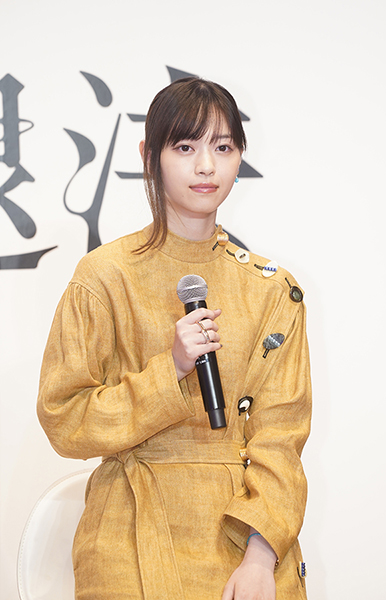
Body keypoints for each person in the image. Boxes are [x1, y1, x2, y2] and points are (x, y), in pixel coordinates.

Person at [37, 77, 311, 600]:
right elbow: (64, 420)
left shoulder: (273, 290)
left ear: (240, 158)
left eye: (222, 147)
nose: (206, 166)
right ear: (150, 156)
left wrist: (261, 556)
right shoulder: (104, 276)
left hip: (246, 539)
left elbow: (281, 438)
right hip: (130, 534)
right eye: (185, 147)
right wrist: (172, 370)